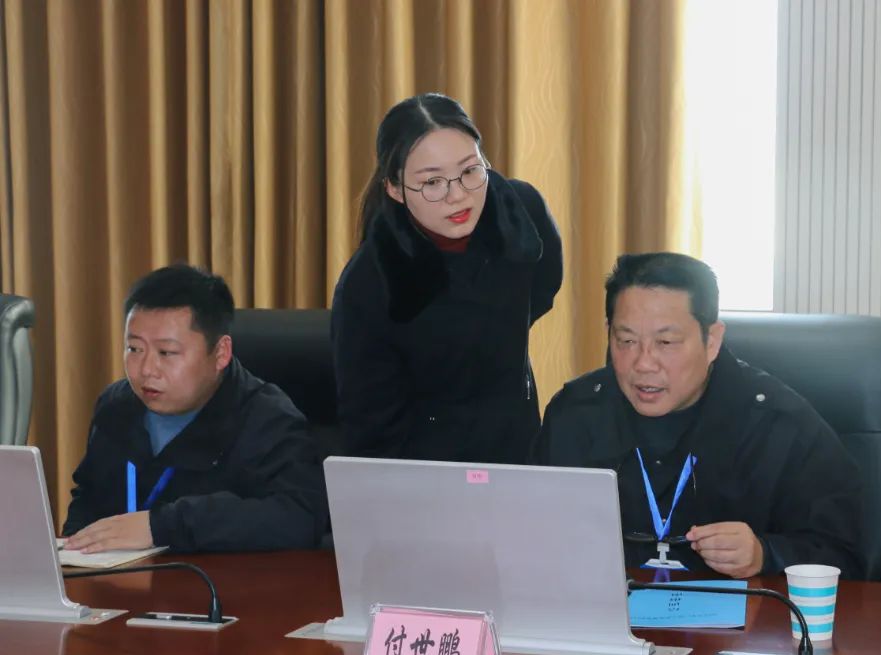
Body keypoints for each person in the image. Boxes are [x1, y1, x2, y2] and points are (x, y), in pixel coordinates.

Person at [533, 252, 865, 579]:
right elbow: (531, 536)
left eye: (666, 342)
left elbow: (848, 555)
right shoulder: (574, 416)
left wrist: (764, 554)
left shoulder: (779, 425)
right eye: (627, 340)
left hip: (742, 614)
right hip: (604, 610)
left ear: (712, 341)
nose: (643, 363)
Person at [332, 93, 562, 463]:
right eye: (432, 182)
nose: (457, 196)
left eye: (470, 171)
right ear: (394, 188)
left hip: (516, 442)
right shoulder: (368, 283)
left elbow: (543, 289)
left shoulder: (522, 212)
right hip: (424, 462)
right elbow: (371, 426)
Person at [62, 264, 329, 553]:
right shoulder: (116, 407)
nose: (147, 369)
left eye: (167, 352)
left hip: (217, 579)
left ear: (221, 353)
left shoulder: (266, 419)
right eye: (134, 349)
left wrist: (161, 526)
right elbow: (88, 497)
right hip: (113, 577)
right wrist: (70, 556)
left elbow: (299, 517)